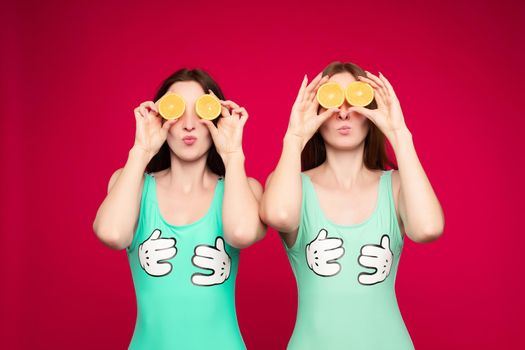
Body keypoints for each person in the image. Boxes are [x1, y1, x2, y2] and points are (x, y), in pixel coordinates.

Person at [260, 61, 444, 349]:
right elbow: (278, 215)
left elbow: (428, 228)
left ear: (370, 114)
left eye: (356, 100)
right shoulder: (291, 185)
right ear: (317, 114)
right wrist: (295, 137)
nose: (344, 112)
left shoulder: (395, 186)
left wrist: (400, 134)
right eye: (332, 100)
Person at [93, 68, 266, 349]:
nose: (188, 125)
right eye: (175, 111)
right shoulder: (131, 184)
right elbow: (112, 233)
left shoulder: (245, 190)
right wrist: (141, 150)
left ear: (217, 119)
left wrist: (233, 154)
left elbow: (242, 233)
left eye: (201, 111)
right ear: (161, 119)